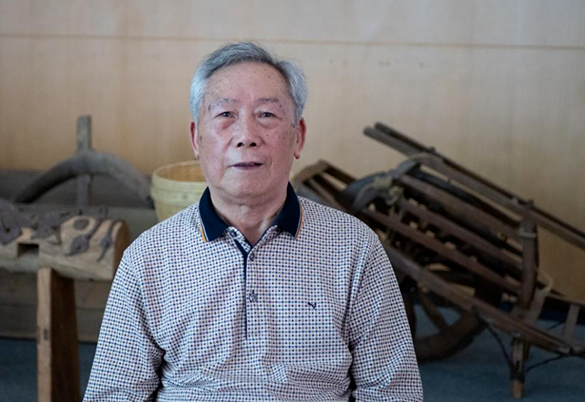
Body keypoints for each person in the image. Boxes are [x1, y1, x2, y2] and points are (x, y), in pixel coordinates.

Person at [83, 42, 423, 401]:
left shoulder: (354, 247)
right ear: (196, 138)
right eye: (225, 114)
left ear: (298, 137)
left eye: (266, 114)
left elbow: (393, 392)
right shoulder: (149, 256)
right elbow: (113, 394)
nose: (246, 136)